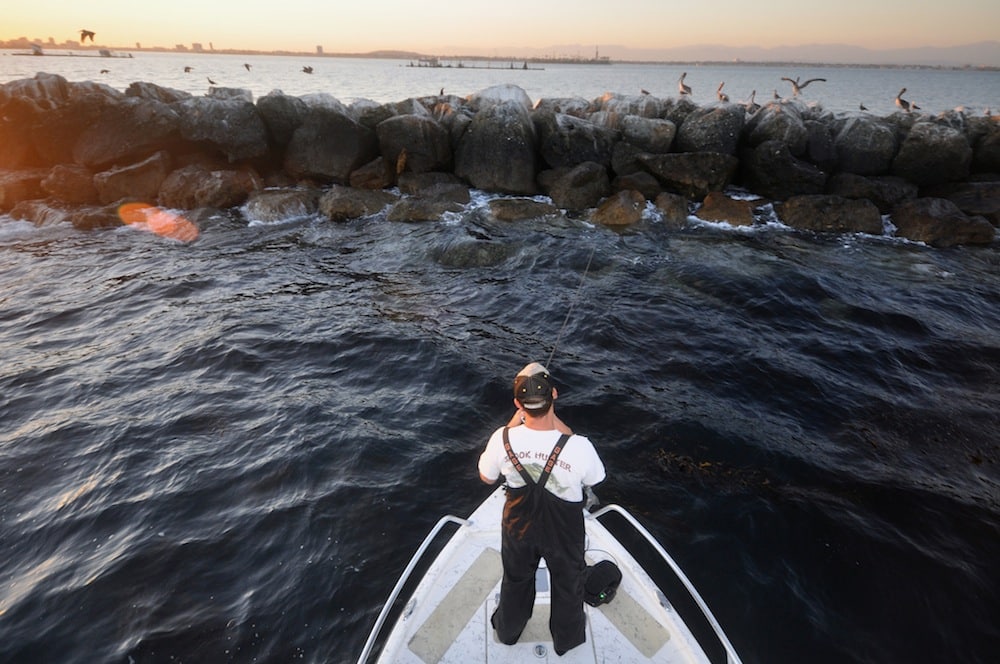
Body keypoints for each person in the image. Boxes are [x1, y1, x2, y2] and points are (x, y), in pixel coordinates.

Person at [478, 362, 606, 656]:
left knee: (516, 581)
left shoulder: (502, 437)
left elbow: (486, 477)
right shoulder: (580, 446)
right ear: (555, 396)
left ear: (517, 404)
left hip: (518, 529)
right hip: (565, 532)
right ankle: (567, 641)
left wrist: (516, 421)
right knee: (568, 584)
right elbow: (596, 478)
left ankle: (508, 632)